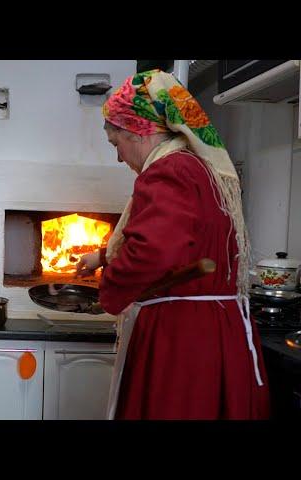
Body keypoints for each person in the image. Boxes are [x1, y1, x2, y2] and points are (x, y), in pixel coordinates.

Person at [75, 69, 270, 420]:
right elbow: (183, 242)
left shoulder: (170, 171)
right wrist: (103, 256)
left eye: (115, 143)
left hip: (184, 340)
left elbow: (152, 249)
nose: (119, 157)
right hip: (215, 327)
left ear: (138, 130)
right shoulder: (198, 167)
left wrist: (110, 291)